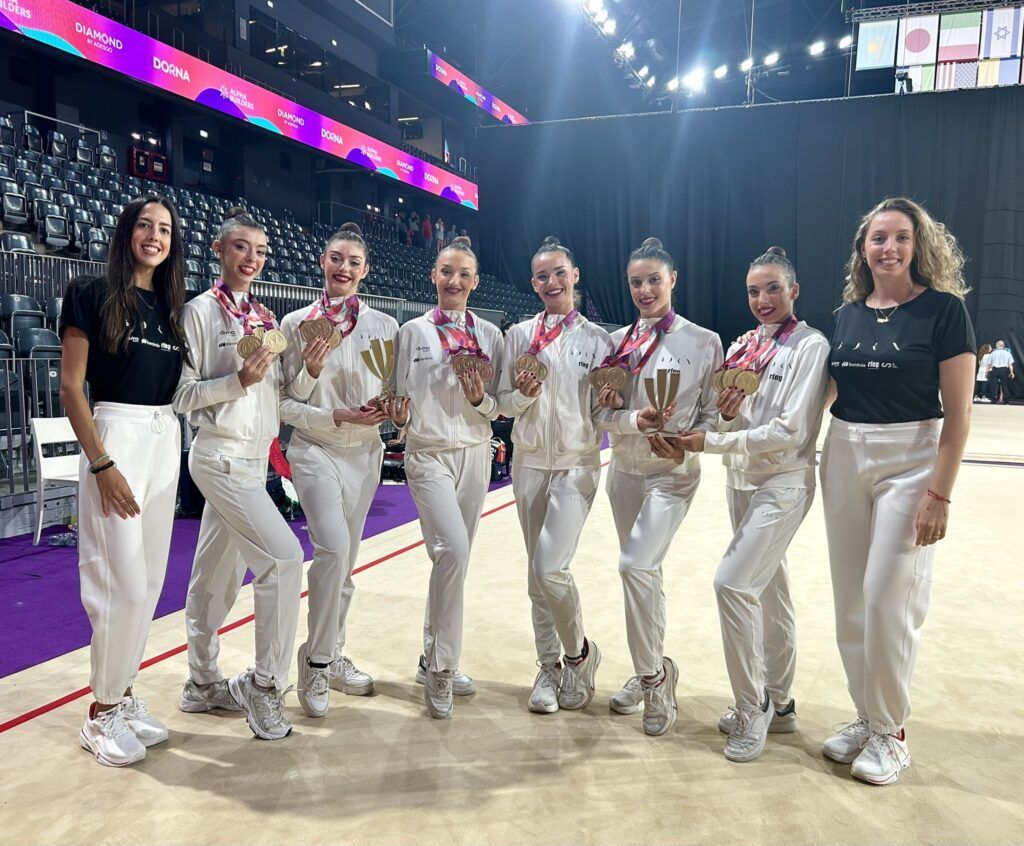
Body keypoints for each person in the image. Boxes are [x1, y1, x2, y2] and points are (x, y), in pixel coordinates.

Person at [821, 197, 974, 785]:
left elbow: (958, 417)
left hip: (911, 458)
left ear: (919, 246)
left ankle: (891, 732)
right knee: (849, 602)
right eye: (877, 238)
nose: (888, 248)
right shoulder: (847, 314)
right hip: (842, 452)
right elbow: (827, 394)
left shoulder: (944, 311)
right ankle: (867, 715)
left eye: (900, 238)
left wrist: (940, 493)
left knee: (888, 598)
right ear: (863, 248)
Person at [673, 247, 830, 762]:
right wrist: (722, 419)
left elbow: (790, 432)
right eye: (753, 291)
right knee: (768, 588)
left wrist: (713, 441)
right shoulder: (744, 346)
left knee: (732, 584)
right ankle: (781, 704)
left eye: (772, 289)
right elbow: (727, 422)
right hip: (741, 480)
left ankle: (752, 704)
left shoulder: (810, 346)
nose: (762, 300)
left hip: (783, 482)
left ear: (794, 291)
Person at [173, 208, 324, 741]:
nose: (252, 259)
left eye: (260, 251)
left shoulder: (263, 317)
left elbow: (283, 395)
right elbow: (181, 396)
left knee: (213, 576)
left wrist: (310, 369)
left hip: (254, 460)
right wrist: (236, 380)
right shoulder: (198, 313)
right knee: (284, 561)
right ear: (219, 250)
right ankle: (265, 686)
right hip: (218, 457)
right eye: (242, 247)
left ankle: (201, 680)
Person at [60, 196, 187, 767]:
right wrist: (102, 464)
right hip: (119, 435)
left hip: (164, 438)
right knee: (121, 584)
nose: (154, 236)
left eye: (164, 229)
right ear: (127, 232)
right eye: (145, 225)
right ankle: (101, 710)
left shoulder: (169, 306)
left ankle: (125, 693)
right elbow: (71, 387)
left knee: (152, 582)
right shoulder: (90, 293)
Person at [596, 237, 723, 736]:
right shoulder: (617, 343)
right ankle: (653, 666)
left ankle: (652, 678)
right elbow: (601, 413)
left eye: (654, 279)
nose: (645, 290)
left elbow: (715, 414)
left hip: (672, 475)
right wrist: (633, 421)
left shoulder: (704, 341)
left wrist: (693, 444)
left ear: (673, 280)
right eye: (636, 282)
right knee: (645, 573)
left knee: (634, 564)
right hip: (624, 471)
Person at [279, 222, 397, 718]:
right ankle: (317, 660)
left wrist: (391, 410)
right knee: (332, 550)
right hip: (315, 450)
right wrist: (311, 374)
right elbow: (284, 404)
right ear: (322, 262)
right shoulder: (293, 323)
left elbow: (393, 393)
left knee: (345, 564)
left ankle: (334, 648)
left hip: (365, 453)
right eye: (335, 258)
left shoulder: (384, 326)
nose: (343, 268)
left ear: (365, 271)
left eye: (353, 261)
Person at [497, 236, 612, 714]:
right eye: (542, 275)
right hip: (528, 463)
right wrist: (522, 395)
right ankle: (549, 666)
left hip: (575, 465)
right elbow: (502, 404)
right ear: (533, 283)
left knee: (551, 567)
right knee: (534, 577)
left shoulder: (598, 340)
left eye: (559, 272)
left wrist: (616, 410)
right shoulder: (518, 337)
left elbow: (604, 412)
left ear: (575, 275)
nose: (551, 282)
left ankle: (579, 655)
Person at [390, 236, 504, 719]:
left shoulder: (491, 336)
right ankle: (442, 668)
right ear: (433, 276)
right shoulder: (411, 331)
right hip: (429, 455)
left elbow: (499, 407)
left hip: (475, 454)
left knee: (451, 559)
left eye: (463, 274)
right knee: (453, 551)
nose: (453, 281)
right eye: (445, 271)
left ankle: (430, 653)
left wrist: (481, 402)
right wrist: (398, 421)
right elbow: (397, 396)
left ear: (475, 282)